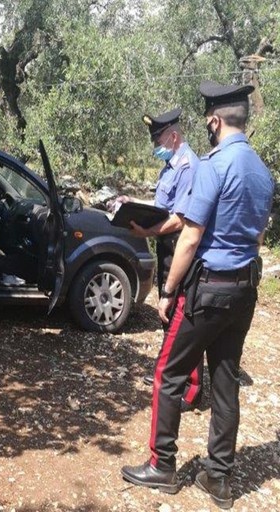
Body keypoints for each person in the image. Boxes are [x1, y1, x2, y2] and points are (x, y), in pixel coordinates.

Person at [121, 81, 274, 510]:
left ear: (214, 120)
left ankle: (162, 466)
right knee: (225, 383)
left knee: (168, 374)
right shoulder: (263, 173)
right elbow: (257, 236)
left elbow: (190, 237)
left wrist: (168, 291)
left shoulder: (213, 165)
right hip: (244, 291)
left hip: (207, 290)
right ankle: (219, 477)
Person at [127, 108, 204, 411]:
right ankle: (171, 375)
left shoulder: (187, 165)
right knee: (168, 316)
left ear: (173, 136)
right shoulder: (170, 166)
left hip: (180, 248)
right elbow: (163, 208)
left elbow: (180, 219)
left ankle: (191, 389)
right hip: (167, 248)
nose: (154, 146)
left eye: (157, 139)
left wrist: (146, 229)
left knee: (183, 318)